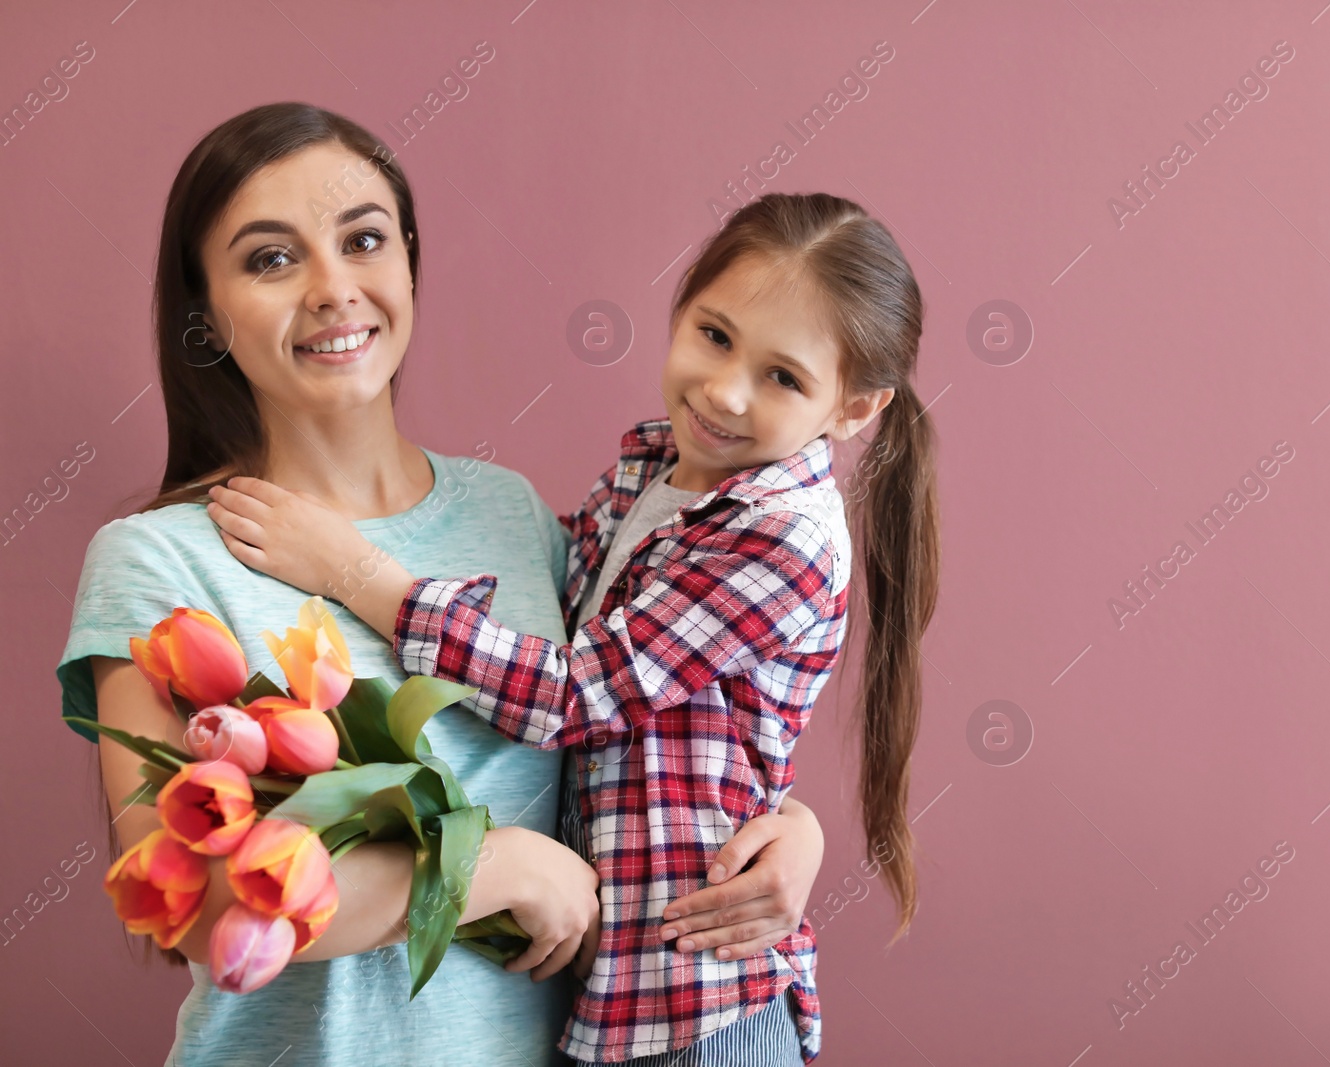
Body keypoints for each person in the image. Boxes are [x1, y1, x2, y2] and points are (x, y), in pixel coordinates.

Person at [57, 103, 825, 1067]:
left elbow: (633, 730)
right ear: (205, 313)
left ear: (410, 263)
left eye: (364, 240)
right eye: (270, 258)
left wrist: (792, 830)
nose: (335, 289)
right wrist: (487, 868)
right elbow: (192, 904)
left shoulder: (514, 517)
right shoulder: (159, 560)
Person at [205, 192, 942, 1064]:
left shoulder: (786, 535)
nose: (724, 390)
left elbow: (576, 688)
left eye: (784, 378)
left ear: (854, 410)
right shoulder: (653, 470)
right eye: (714, 334)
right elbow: (543, 615)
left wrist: (355, 570)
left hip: (696, 1004)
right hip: (606, 1001)